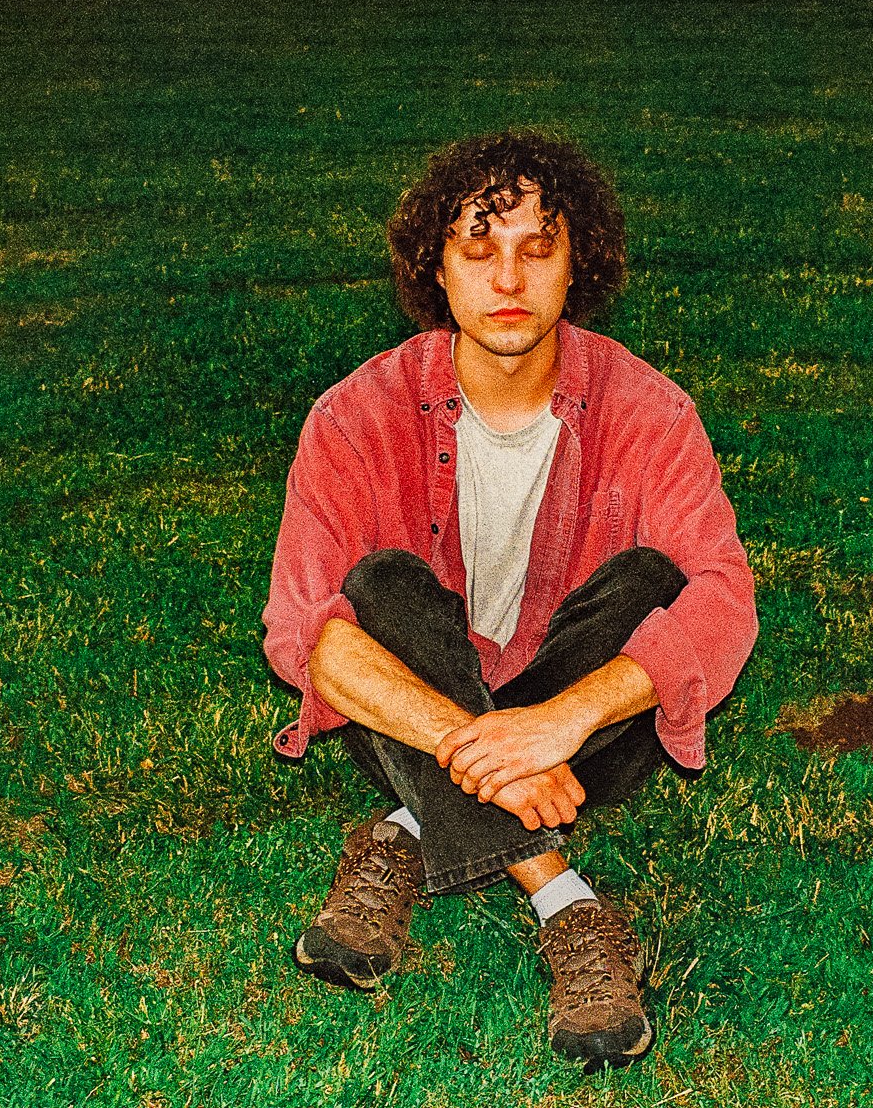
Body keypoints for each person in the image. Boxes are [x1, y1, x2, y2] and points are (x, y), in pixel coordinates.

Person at [261, 129, 757, 1071]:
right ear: (436, 271)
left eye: (539, 248)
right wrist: (479, 745)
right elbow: (302, 632)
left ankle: (412, 829)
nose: (508, 279)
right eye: (478, 249)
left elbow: (726, 601)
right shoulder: (355, 415)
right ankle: (561, 897)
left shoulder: (650, 411)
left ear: (580, 266)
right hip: (427, 720)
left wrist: (561, 722)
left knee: (655, 581)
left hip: (583, 743)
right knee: (377, 590)